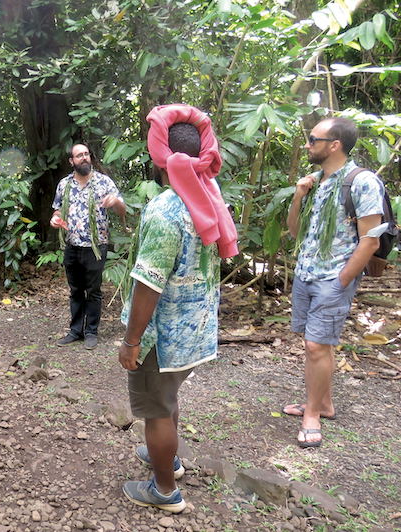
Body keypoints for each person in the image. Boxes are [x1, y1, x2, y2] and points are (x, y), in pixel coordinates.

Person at [119, 104, 238, 513]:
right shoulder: (210, 196)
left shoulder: (166, 210)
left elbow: (149, 283)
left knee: (155, 408)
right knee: (167, 398)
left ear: (159, 155)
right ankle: (167, 460)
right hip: (195, 329)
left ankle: (164, 491)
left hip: (162, 333)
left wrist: (132, 341)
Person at [284, 117, 384, 448]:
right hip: (307, 272)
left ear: (334, 145)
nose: (308, 144)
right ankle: (324, 404)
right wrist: (299, 195)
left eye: (314, 139)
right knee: (319, 343)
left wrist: (342, 279)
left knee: (315, 345)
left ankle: (312, 414)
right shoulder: (315, 181)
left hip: (333, 277)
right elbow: (295, 232)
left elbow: (370, 240)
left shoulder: (362, 182)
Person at [50, 143, 126, 350]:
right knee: (75, 290)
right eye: (79, 155)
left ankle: (91, 331)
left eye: (86, 154)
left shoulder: (103, 182)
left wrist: (115, 202)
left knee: (93, 290)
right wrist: (55, 220)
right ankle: (76, 331)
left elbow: (122, 210)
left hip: (96, 245)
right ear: (71, 161)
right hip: (72, 245)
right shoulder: (64, 185)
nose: (84, 158)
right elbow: (57, 211)